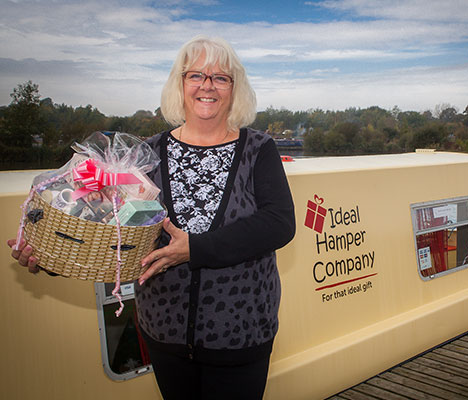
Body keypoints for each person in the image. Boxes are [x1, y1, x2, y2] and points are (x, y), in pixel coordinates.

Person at [8, 35, 296, 399]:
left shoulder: (258, 148)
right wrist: (49, 257)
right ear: (180, 84)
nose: (207, 85)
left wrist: (195, 248)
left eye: (220, 77)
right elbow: (112, 231)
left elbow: (278, 223)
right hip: (164, 333)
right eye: (196, 76)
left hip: (240, 334)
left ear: (234, 89)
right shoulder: (147, 155)